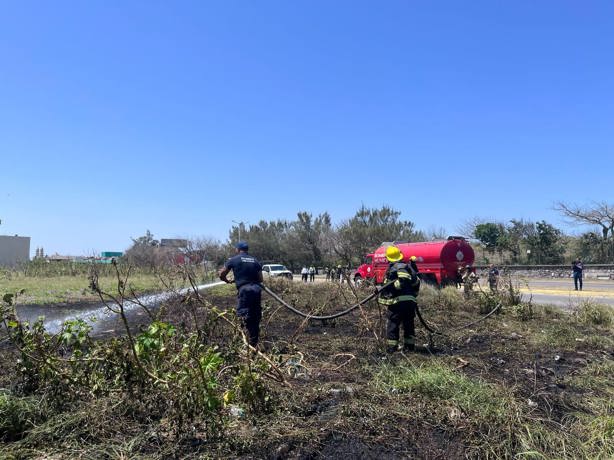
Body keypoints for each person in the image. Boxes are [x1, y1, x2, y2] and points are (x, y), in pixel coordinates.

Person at [218, 241, 263, 347]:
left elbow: (222, 274)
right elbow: (260, 279)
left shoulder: (233, 259)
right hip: (257, 290)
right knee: (255, 316)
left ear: (237, 250)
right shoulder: (255, 260)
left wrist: (226, 280)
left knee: (243, 315)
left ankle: (243, 341)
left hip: (245, 290)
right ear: (247, 250)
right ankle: (254, 343)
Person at [378, 245, 420, 353]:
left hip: (398, 302)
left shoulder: (397, 267)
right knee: (409, 324)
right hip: (409, 302)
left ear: (389, 258)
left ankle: (392, 348)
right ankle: (409, 347)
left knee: (393, 324)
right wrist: (413, 295)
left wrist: (389, 286)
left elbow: (402, 281)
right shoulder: (408, 267)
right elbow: (416, 282)